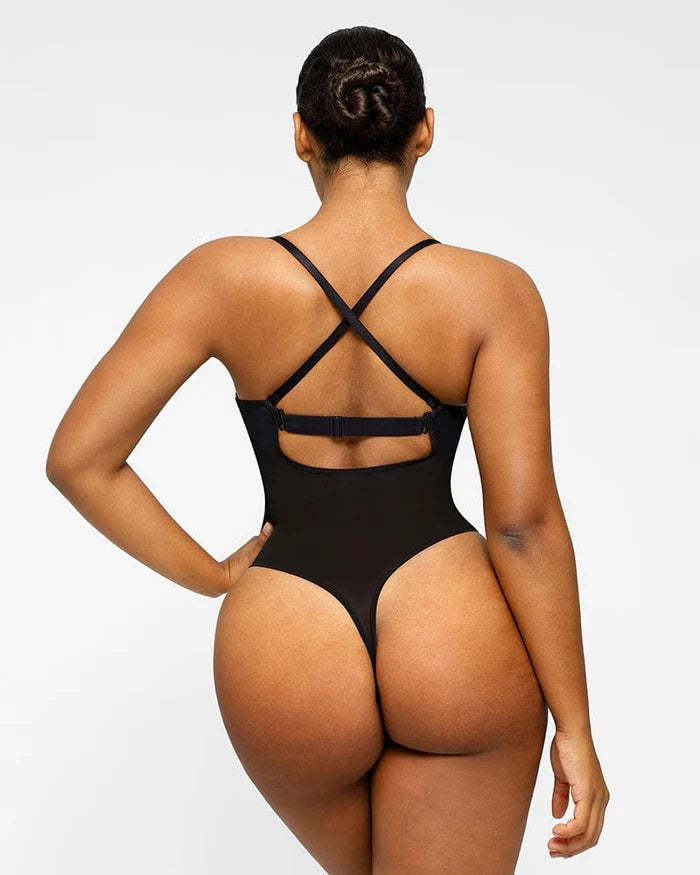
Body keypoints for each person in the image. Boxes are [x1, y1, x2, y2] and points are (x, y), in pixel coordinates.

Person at [46, 24, 609, 874]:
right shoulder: (493, 293)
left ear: (301, 135)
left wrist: (215, 574)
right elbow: (523, 525)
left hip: (286, 638)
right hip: (451, 625)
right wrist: (577, 726)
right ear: (425, 130)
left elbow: (79, 459)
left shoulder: (220, 277)